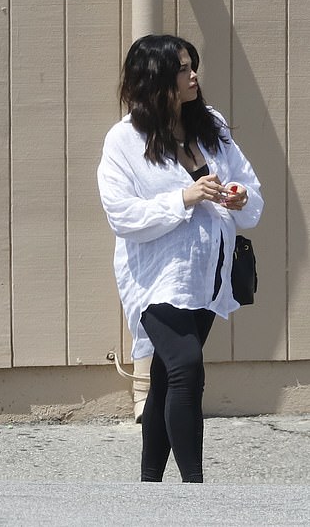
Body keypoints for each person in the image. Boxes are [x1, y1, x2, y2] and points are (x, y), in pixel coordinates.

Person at [97, 35, 263, 483]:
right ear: (155, 80)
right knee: (186, 366)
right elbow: (122, 215)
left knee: (169, 380)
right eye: (183, 69)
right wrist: (184, 198)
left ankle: (150, 485)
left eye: (194, 66)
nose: (194, 77)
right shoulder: (124, 141)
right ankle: (196, 490)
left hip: (206, 278)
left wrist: (239, 196)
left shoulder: (210, 124)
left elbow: (251, 190)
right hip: (155, 281)